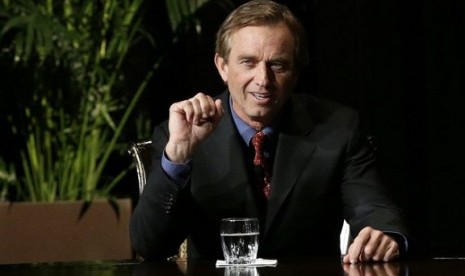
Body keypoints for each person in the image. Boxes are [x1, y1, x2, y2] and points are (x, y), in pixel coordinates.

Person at [130, 0, 408, 264]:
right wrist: (177, 156)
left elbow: (372, 207)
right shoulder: (180, 133)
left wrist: (383, 234)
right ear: (222, 66)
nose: (263, 80)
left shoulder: (339, 128)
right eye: (248, 62)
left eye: (277, 65)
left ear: (296, 72)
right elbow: (150, 246)